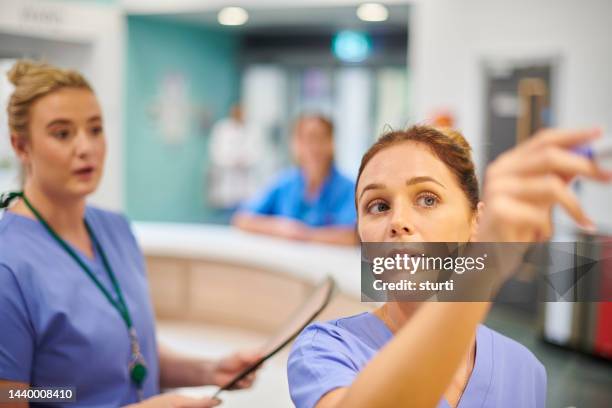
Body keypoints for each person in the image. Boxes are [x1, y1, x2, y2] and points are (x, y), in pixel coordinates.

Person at [287, 125, 611, 408]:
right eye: (379, 205)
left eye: (427, 199)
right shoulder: (326, 351)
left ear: (477, 222)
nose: (398, 222)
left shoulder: (525, 371)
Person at [0, 60, 262, 408]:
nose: (86, 147)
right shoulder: (9, 264)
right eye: (62, 133)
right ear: (21, 146)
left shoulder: (115, 229)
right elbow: (14, 395)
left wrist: (208, 369)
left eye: (95, 129)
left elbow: (128, 351)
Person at [232, 114, 357, 246]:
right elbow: (242, 219)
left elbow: (353, 236)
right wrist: (281, 228)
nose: (313, 147)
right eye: (306, 139)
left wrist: (303, 234)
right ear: (295, 145)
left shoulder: (348, 189)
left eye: (319, 138)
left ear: (331, 143)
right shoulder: (284, 184)